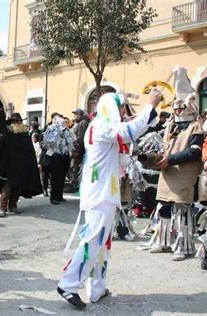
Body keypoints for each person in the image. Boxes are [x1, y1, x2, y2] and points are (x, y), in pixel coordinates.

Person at [57, 91, 161, 309]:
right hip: (99, 194)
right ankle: (68, 284)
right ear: (110, 108)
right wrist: (149, 105)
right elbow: (127, 133)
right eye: (121, 108)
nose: (124, 112)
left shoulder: (104, 125)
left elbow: (129, 135)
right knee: (93, 240)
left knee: (103, 243)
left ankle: (96, 289)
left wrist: (138, 117)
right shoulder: (102, 126)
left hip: (105, 193)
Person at [150, 70, 204, 261]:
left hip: (184, 174)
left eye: (181, 107)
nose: (178, 110)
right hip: (167, 173)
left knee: (181, 209)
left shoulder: (196, 127)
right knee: (164, 206)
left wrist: (170, 160)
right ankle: (163, 241)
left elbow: (195, 151)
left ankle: (183, 245)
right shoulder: (171, 125)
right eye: (176, 107)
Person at [0, 113, 42, 217]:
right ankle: (2, 208)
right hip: (9, 167)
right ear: (11, 124)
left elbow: (30, 153)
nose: (17, 123)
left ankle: (13, 205)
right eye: (14, 122)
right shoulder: (7, 136)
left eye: (18, 121)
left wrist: (29, 165)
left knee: (18, 188)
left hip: (21, 167)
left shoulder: (26, 136)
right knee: (7, 188)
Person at [43, 116, 75, 204]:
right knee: (55, 178)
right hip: (55, 156)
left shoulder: (67, 131)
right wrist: (52, 152)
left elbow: (71, 141)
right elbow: (47, 143)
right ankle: (53, 198)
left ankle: (60, 196)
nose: (63, 124)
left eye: (64, 123)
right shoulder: (51, 129)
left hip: (65, 156)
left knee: (62, 177)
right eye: (62, 123)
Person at [67, 108, 89, 193]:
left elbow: (80, 138)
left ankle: (74, 185)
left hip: (77, 150)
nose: (74, 116)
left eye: (76, 114)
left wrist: (76, 150)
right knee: (72, 168)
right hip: (75, 149)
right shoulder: (80, 123)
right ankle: (73, 184)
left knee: (74, 168)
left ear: (80, 115)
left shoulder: (83, 123)